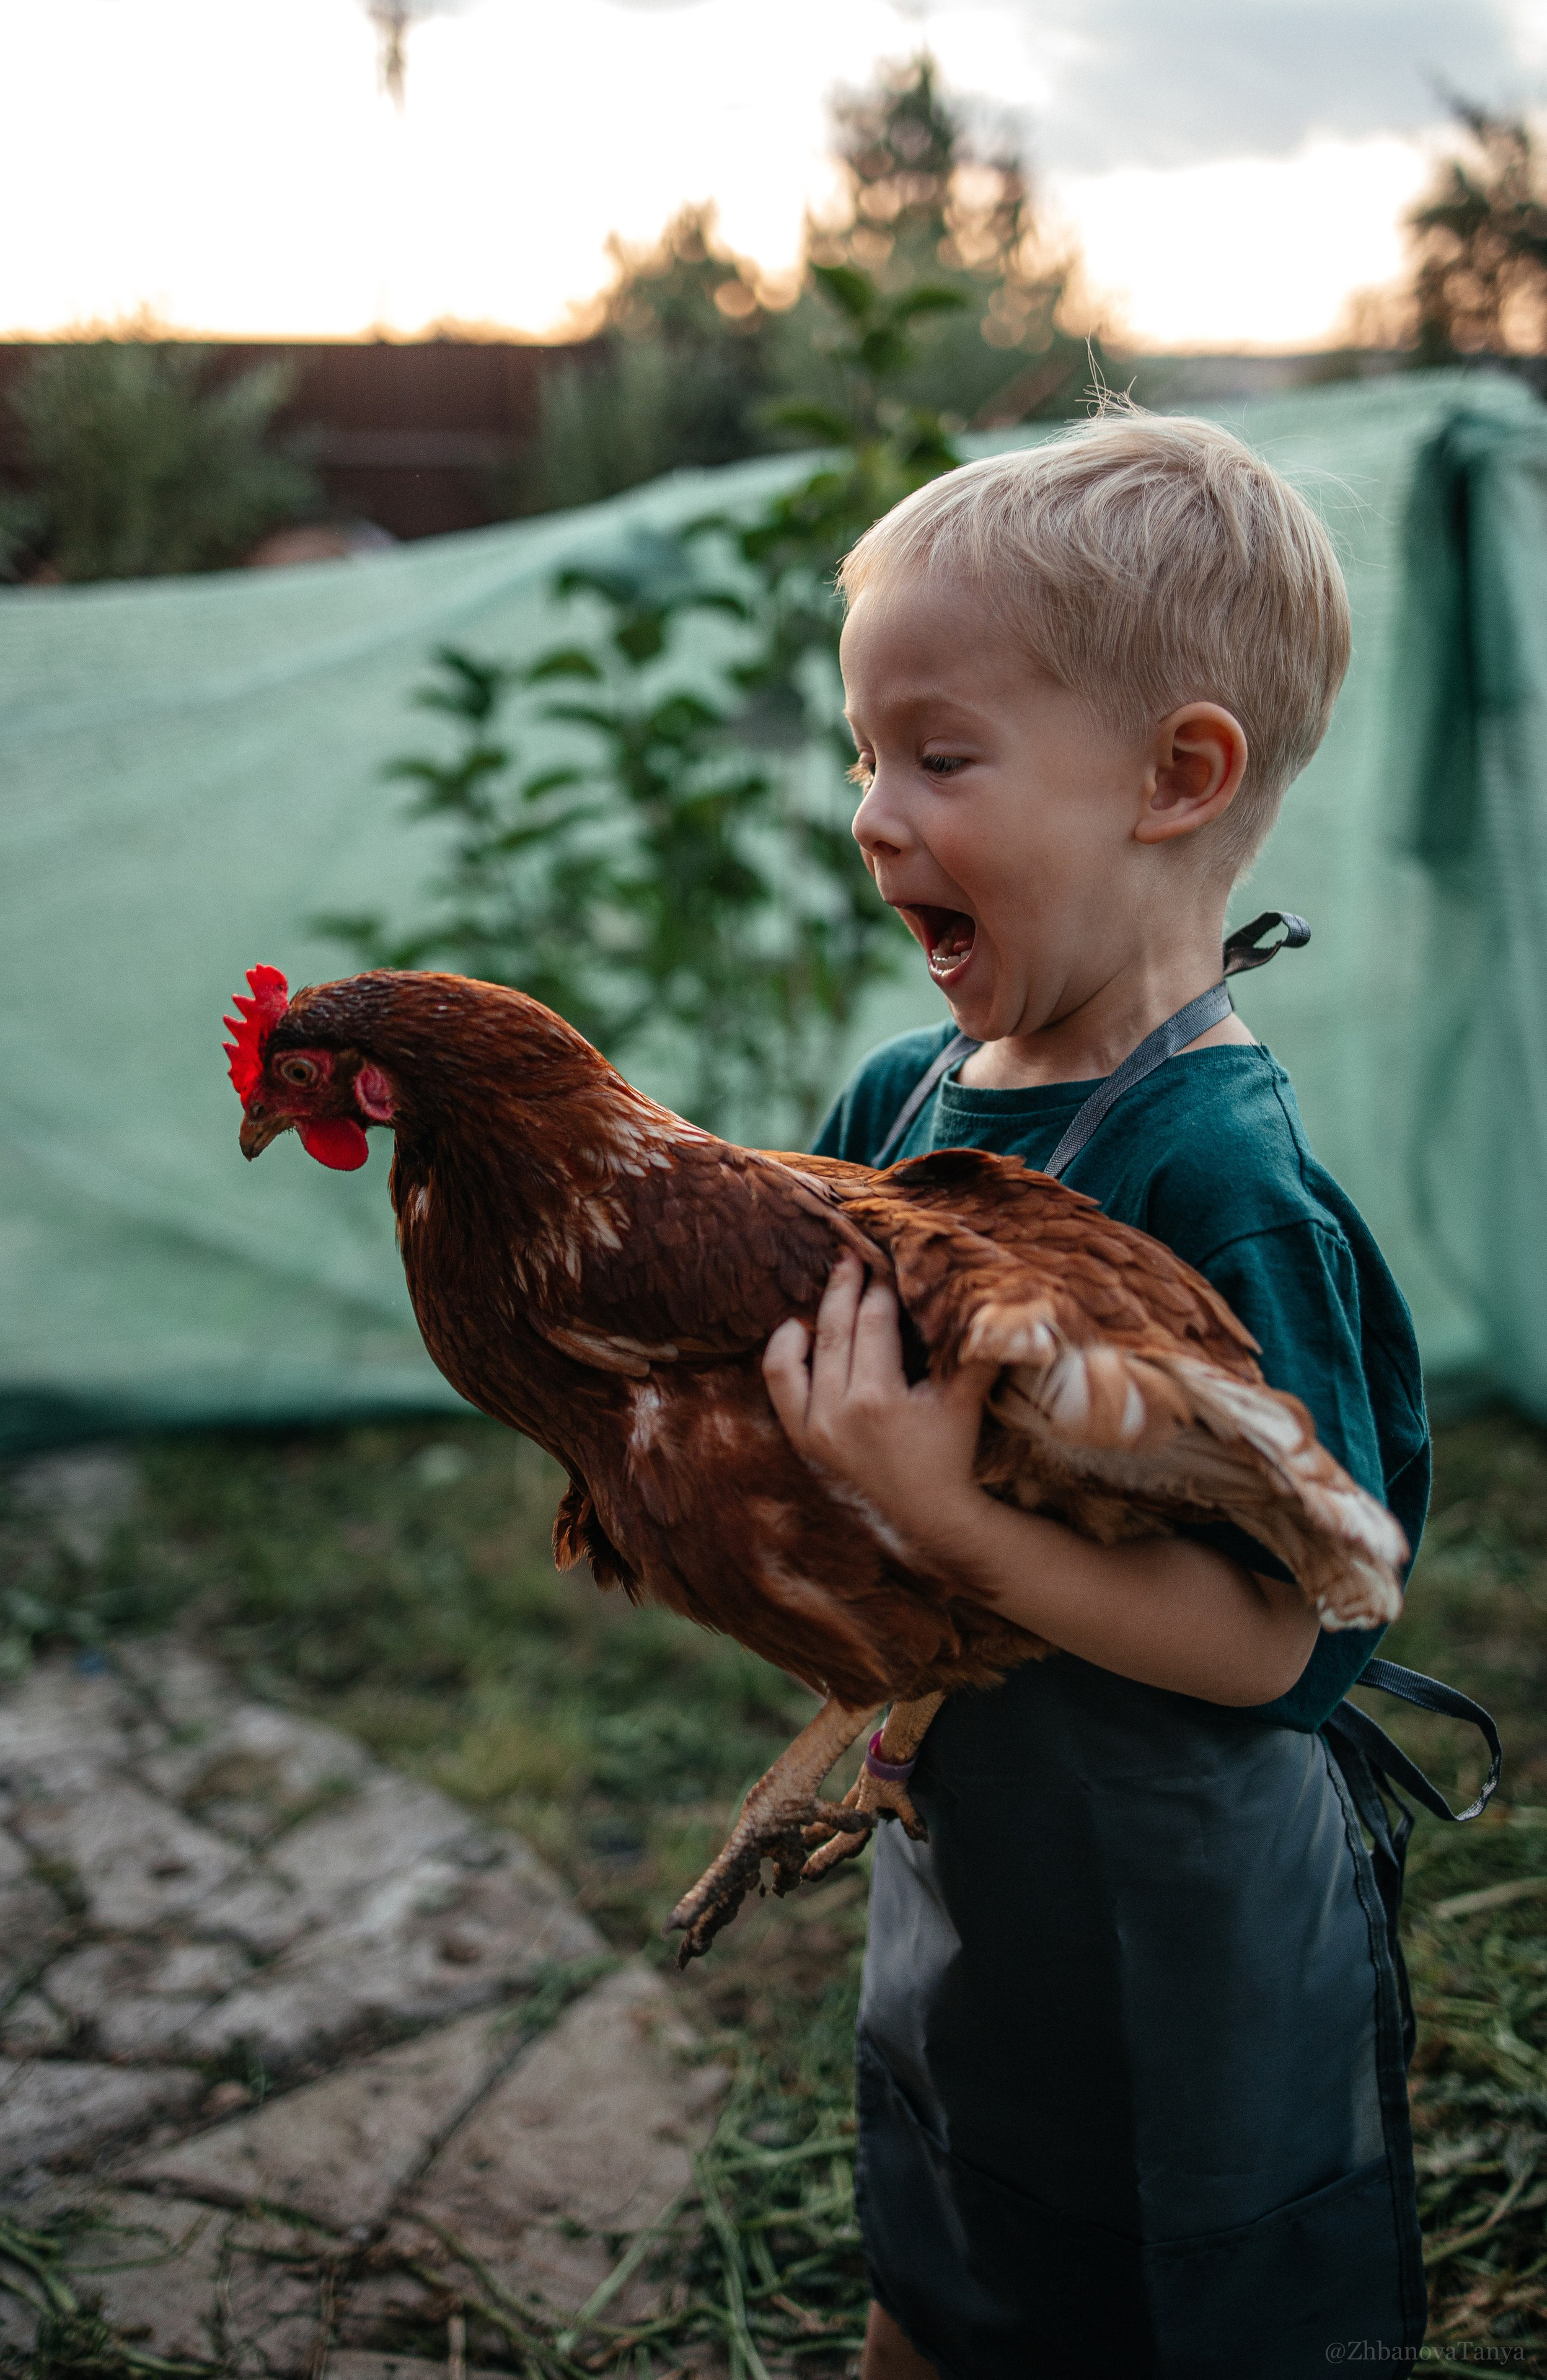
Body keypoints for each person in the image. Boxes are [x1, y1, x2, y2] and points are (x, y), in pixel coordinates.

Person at [759, 410, 1439, 2377]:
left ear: (1178, 776)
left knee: (1167, 2292)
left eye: (939, 757)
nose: (876, 815)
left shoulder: (1219, 1180)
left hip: (1183, 1901)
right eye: (865, 753)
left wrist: (954, 1516)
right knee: (957, 2238)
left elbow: (1279, 1647)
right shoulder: (898, 1106)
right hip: (975, 1854)